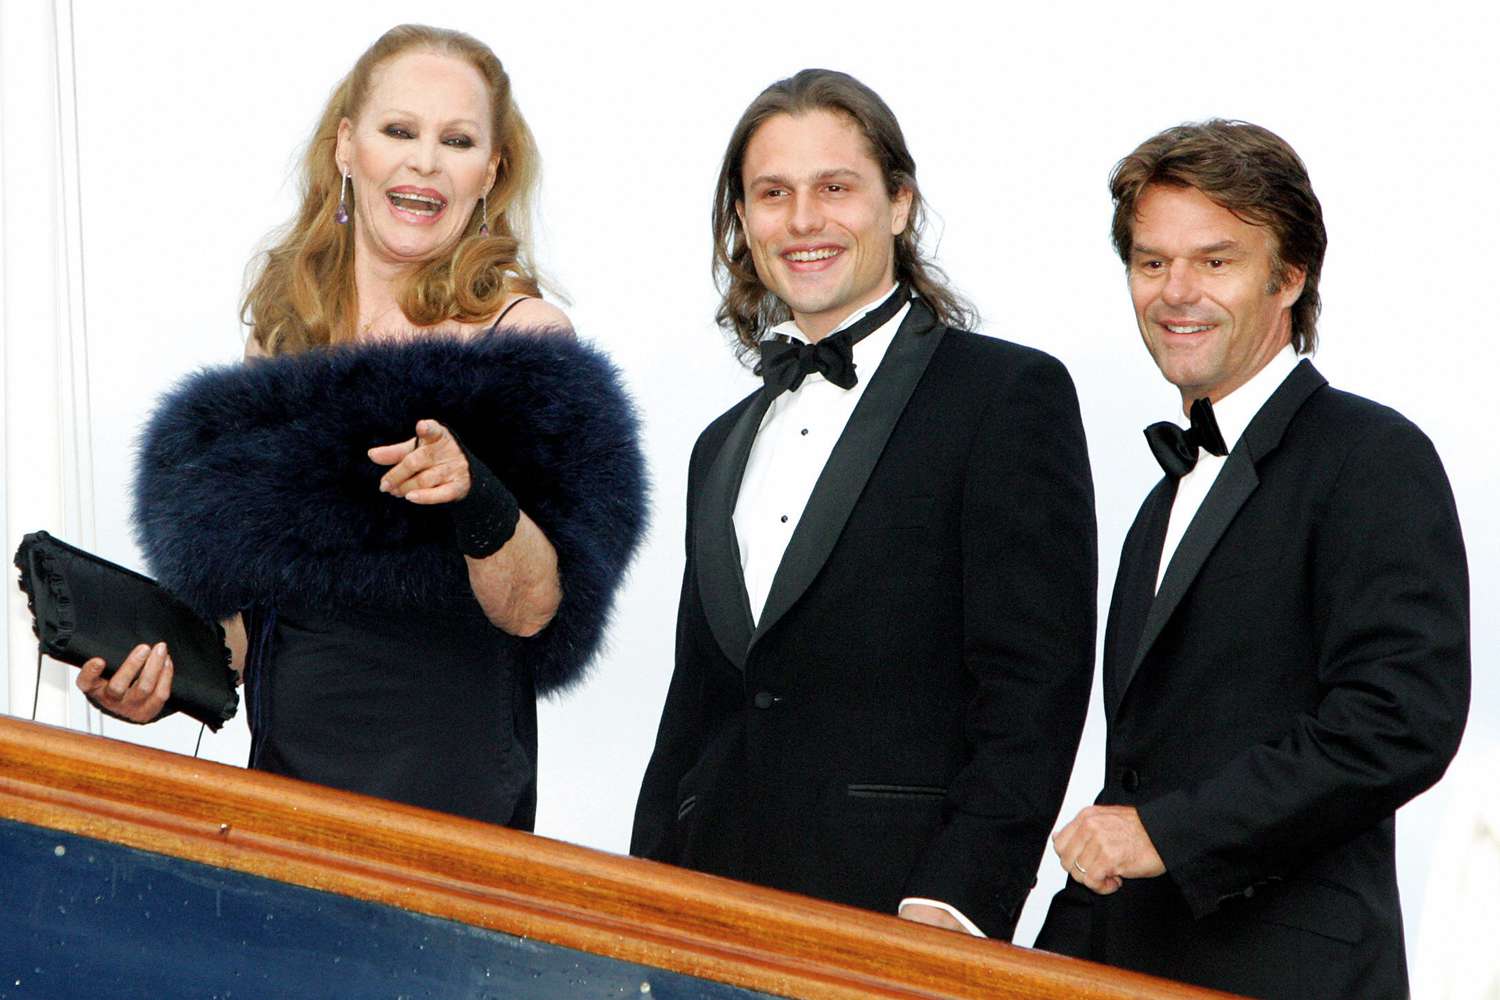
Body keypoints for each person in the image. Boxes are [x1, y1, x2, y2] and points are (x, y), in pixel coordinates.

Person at [75, 24, 646, 832]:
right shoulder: (281, 340)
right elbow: (251, 619)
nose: (423, 160)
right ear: (348, 147)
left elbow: (535, 610)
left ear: (490, 171)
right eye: (399, 130)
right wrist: (164, 676)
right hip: (284, 793)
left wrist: (473, 494)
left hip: (450, 803)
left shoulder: (520, 337)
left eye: (456, 140)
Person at [630, 69, 1096, 939]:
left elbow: (1036, 682)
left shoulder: (1005, 395)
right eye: (773, 194)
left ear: (899, 203)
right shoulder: (719, 445)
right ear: (744, 220)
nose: (803, 219)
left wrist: (961, 896)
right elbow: (694, 709)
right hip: (709, 916)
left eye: (835, 187)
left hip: (900, 915)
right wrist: (644, 896)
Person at [1034, 120, 1470, 998]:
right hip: (1127, 971)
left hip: (1287, 970)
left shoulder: (1371, 454)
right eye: (1151, 262)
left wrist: (1169, 833)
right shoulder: (1163, 502)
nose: (1176, 292)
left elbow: (1399, 719)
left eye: (1216, 261)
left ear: (1291, 276)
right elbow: (1139, 782)